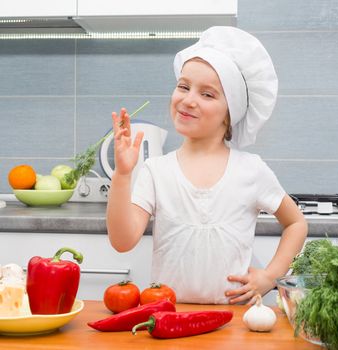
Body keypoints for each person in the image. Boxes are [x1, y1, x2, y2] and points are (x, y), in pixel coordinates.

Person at [106, 26, 308, 305]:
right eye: (183, 86)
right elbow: (122, 240)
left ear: (230, 113)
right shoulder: (157, 170)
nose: (188, 100)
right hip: (167, 318)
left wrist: (271, 276)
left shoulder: (251, 170)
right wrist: (123, 174)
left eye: (207, 94)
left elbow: (296, 223)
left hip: (234, 321)